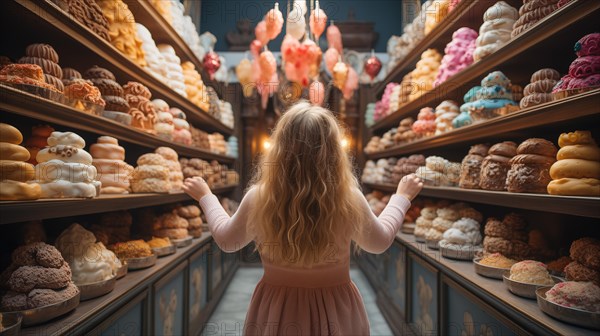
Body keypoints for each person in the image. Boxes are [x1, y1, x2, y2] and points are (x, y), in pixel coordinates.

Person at [183, 101, 423, 336]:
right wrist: (401, 197)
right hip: (336, 308)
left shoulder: (260, 197)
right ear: (334, 152)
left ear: (279, 148)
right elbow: (378, 243)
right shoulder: (348, 199)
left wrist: (206, 197)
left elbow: (227, 241)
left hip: (277, 308)